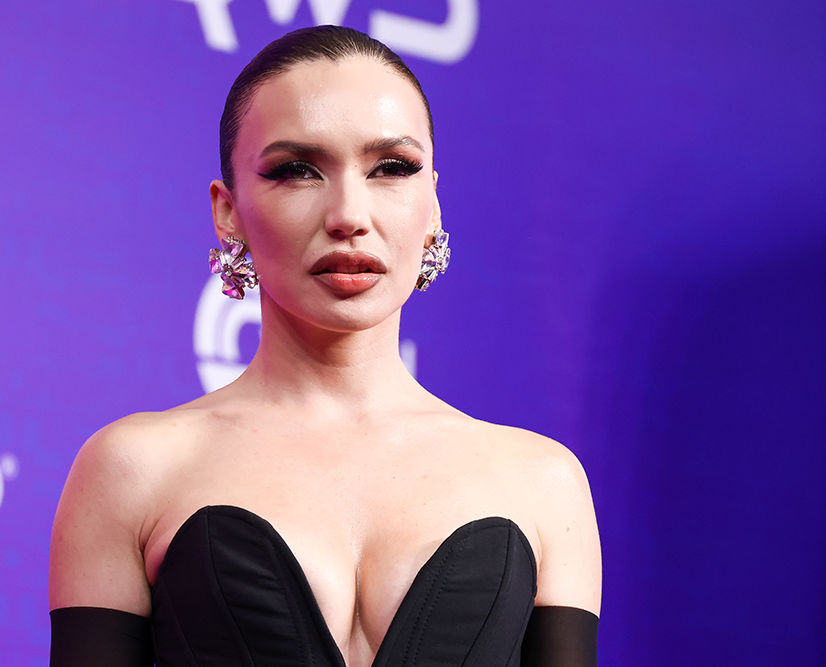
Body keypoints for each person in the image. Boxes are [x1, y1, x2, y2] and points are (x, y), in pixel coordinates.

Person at [48, 25, 601, 667]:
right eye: (297, 171)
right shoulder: (133, 471)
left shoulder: (543, 484)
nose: (349, 216)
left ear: (433, 205)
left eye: (391, 168)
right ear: (228, 212)